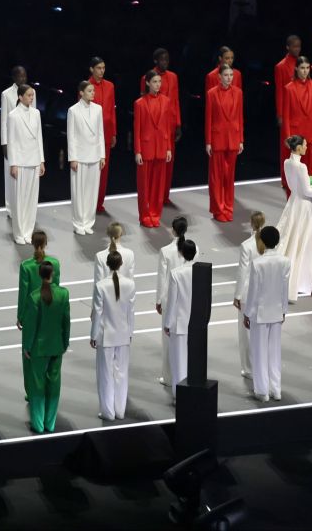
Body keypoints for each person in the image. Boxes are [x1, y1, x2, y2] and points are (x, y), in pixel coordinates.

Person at [243, 226, 291, 402]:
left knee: (259, 351)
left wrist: (247, 313)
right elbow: (284, 289)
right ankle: (276, 389)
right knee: (274, 352)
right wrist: (284, 310)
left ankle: (262, 391)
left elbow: (253, 291)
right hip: (276, 311)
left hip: (260, 313)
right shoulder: (285, 261)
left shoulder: (258, 263)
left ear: (262, 241)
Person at [276, 135, 312, 302]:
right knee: (307, 240)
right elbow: (307, 191)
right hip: (305, 206)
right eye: (305, 145)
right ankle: (304, 281)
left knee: (292, 238)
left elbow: (294, 186)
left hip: (293, 202)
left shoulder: (286, 162)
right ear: (298, 148)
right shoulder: (302, 166)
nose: (306, 147)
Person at [22, 262, 70, 433]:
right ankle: (50, 423)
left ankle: (38, 424)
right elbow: (66, 322)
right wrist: (65, 342)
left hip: (38, 349)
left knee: (37, 386)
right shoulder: (63, 294)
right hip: (56, 347)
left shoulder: (34, 297)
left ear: (39, 275)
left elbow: (31, 326)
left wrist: (27, 346)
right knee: (54, 385)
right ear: (53, 274)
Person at [90, 251, 135, 420]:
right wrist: (130, 332)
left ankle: (108, 412)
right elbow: (131, 312)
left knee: (105, 375)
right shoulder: (130, 284)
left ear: (107, 264)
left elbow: (98, 314)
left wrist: (93, 335)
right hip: (123, 335)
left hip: (105, 336)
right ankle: (120, 410)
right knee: (121, 374)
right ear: (121, 264)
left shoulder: (101, 286)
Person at [17, 231, 61, 398]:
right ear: (46, 243)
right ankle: (49, 391)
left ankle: (32, 392)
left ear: (33, 244)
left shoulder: (26, 266)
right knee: (50, 355)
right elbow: (57, 288)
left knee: (29, 357)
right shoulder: (54, 264)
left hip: (31, 316)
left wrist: (20, 316)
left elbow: (24, 294)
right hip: (50, 314)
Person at [156, 216, 198, 386]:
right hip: (189, 299)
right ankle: (184, 377)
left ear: (173, 230)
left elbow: (162, 279)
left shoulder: (165, 251)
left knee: (169, 343)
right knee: (186, 342)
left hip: (171, 299)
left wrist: (159, 300)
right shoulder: (194, 247)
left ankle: (168, 377)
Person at [139, 48, 181, 204]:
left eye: (167, 59)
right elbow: (144, 104)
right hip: (154, 125)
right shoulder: (147, 77)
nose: (165, 62)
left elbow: (176, 101)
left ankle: (164, 195)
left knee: (168, 162)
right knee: (153, 162)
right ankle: (151, 194)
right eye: (162, 59)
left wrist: (178, 124)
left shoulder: (173, 77)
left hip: (169, 125)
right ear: (156, 60)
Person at [134, 70, 174, 227]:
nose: (158, 84)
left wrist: (169, 148)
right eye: (155, 82)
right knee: (144, 186)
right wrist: (138, 151)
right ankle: (145, 215)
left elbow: (167, 127)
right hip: (146, 147)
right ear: (148, 83)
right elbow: (137, 129)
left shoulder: (166, 101)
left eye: (159, 81)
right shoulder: (140, 103)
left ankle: (155, 214)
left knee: (158, 185)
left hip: (161, 147)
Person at [205, 64, 244, 221]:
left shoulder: (238, 93)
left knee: (229, 176)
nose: (229, 78)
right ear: (219, 77)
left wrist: (241, 139)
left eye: (231, 75)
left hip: (233, 138)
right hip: (218, 138)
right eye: (226, 75)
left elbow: (240, 118)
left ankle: (228, 207)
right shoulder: (211, 94)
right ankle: (217, 208)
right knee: (216, 176)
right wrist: (208, 141)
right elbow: (208, 119)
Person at [7, 84, 45, 244]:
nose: (31, 98)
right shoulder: (13, 115)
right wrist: (13, 164)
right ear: (20, 97)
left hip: (34, 160)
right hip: (21, 161)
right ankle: (19, 232)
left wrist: (41, 160)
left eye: (32, 95)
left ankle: (28, 231)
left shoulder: (36, 113)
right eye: (29, 95)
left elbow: (39, 138)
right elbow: (12, 141)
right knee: (20, 199)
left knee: (31, 198)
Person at [67, 80, 106, 235]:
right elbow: (71, 136)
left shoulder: (98, 109)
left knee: (91, 190)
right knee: (79, 191)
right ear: (81, 93)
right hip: (80, 156)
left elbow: (100, 133)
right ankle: (78, 222)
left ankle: (89, 221)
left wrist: (102, 154)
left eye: (93, 91)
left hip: (94, 155)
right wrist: (73, 158)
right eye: (89, 91)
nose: (93, 93)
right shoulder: (73, 110)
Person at [163, 240, 198, 400]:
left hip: (179, 323)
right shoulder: (200, 272)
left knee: (178, 362)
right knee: (193, 360)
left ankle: (180, 395)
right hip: (196, 322)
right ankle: (191, 392)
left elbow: (172, 301)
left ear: (182, 253)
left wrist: (167, 323)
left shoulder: (176, 273)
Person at [233, 212, 265, 380]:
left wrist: (237, 295)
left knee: (246, 334)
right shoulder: (270, 242)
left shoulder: (247, 245)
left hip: (248, 294)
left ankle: (249, 368)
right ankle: (261, 365)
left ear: (251, 224)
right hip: (265, 293)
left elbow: (243, 272)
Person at [0, 66, 36, 215]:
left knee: (26, 177)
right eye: (20, 76)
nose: (23, 79)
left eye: (25, 76)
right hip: (12, 140)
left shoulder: (31, 92)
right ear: (14, 77)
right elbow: (4, 121)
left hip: (27, 141)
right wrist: (4, 143)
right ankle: (11, 208)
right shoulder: (7, 94)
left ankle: (25, 206)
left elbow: (33, 116)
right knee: (11, 176)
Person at [281, 56, 312, 188]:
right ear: (296, 69)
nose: (305, 71)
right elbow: (286, 115)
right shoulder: (289, 88)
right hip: (296, 134)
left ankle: (308, 197)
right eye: (302, 68)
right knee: (296, 169)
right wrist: (288, 136)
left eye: (307, 68)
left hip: (310, 131)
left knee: (310, 169)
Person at [88, 57, 117, 213]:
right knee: (92, 170)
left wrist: (114, 133)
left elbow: (112, 110)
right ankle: (90, 201)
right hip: (91, 136)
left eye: (103, 68)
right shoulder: (87, 86)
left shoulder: (110, 86)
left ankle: (99, 202)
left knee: (103, 170)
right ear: (92, 69)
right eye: (98, 68)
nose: (101, 71)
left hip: (106, 133)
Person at [274, 35, 302, 178]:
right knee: (287, 146)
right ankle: (286, 178)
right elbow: (279, 91)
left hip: (300, 111)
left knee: (300, 146)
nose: (297, 49)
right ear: (288, 47)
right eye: (294, 46)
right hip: (287, 111)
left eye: (299, 46)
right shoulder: (281, 66)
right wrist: (280, 114)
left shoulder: (302, 64)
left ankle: (299, 176)